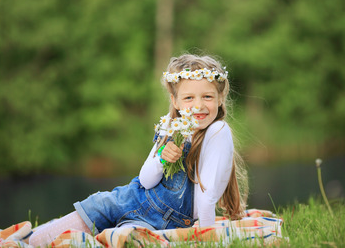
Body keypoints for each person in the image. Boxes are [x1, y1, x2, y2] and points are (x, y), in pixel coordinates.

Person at [29, 53, 248, 247]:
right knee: (36, 241)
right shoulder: (171, 129)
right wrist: (162, 158)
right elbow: (145, 180)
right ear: (176, 102)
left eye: (207, 97)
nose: (198, 105)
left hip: (158, 221)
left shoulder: (218, 131)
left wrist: (207, 239)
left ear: (220, 98)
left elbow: (207, 196)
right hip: (126, 199)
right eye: (189, 97)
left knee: (122, 239)